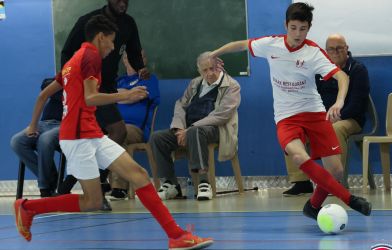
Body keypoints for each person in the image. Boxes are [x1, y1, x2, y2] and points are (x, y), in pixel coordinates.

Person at [14, 15, 213, 250]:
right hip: (78, 138)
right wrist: (124, 95)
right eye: (111, 42)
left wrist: (33, 124)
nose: (113, 48)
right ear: (101, 37)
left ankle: (176, 236)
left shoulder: (72, 62)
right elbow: (90, 97)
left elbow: (43, 95)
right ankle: (28, 207)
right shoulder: (90, 56)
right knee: (92, 201)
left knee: (138, 174)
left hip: (92, 133)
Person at [209, 2, 371, 219]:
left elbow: (342, 76)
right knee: (297, 155)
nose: (297, 34)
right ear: (286, 25)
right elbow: (240, 44)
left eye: (303, 29)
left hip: (314, 113)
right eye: (293, 28)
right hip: (286, 117)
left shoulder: (314, 52)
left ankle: (312, 206)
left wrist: (339, 102)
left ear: (309, 28)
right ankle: (349, 199)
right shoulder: (271, 45)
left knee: (336, 171)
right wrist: (214, 54)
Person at [61, 0, 150, 195]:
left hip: (108, 85)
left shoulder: (128, 23)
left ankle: (85, 184)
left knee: (110, 134)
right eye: (118, 0)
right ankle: (81, 183)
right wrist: (70, 81)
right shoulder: (87, 23)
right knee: (117, 130)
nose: (123, 3)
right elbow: (67, 52)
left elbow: (134, 51)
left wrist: (140, 67)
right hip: (89, 88)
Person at [282, 33, 371, 196]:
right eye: (331, 49)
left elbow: (358, 103)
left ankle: (335, 182)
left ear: (347, 49)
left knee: (336, 129)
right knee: (293, 132)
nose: (335, 52)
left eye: (339, 48)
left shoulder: (358, 70)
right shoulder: (318, 70)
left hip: (350, 119)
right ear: (326, 51)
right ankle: (301, 182)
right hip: (322, 118)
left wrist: (335, 117)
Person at [150, 52, 241, 201]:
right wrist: (179, 129)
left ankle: (204, 183)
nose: (210, 73)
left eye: (212, 68)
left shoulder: (232, 85)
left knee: (196, 131)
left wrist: (190, 128)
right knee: (158, 138)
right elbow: (180, 104)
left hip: (216, 130)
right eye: (205, 70)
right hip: (188, 129)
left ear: (219, 66)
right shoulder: (195, 83)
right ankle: (171, 184)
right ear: (199, 70)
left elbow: (222, 115)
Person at [111, 50, 160, 199]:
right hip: (112, 125)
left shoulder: (149, 79)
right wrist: (128, 93)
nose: (133, 60)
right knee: (94, 136)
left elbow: (139, 95)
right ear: (124, 61)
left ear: (144, 60)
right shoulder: (118, 81)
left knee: (120, 133)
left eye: (139, 57)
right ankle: (99, 184)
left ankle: (119, 187)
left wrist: (117, 96)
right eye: (128, 57)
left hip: (136, 129)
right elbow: (107, 97)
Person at [10, 78, 62, 197]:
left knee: (45, 139)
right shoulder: (64, 76)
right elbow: (45, 84)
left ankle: (44, 188)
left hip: (64, 125)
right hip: (44, 123)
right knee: (17, 141)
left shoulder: (84, 82)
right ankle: (51, 178)